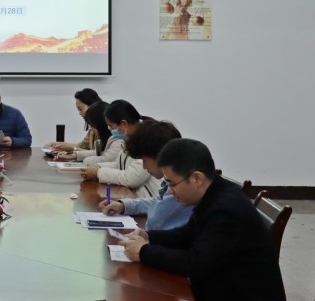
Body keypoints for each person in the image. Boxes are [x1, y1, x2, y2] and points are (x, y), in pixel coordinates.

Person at [119, 138, 286, 301]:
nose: (169, 191)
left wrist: (144, 252)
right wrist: (149, 237)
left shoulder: (226, 210)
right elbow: (188, 234)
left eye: (173, 184)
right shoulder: (214, 192)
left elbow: (195, 263)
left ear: (197, 179)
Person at [98, 119, 193, 230]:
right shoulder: (173, 179)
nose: (143, 166)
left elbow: (153, 224)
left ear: (161, 155)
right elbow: (157, 201)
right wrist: (123, 206)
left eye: (144, 160)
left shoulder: (181, 188)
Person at [79, 100, 161, 199]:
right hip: (133, 198)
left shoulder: (145, 141)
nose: (109, 129)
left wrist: (98, 173)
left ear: (124, 124)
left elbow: (131, 178)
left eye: (111, 126)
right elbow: (118, 165)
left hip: (149, 199)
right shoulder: (129, 139)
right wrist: (96, 167)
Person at [56, 101, 121, 163]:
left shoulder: (118, 139)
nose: (91, 130)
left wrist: (74, 150)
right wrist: (74, 155)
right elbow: (96, 153)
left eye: (80, 109)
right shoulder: (108, 138)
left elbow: (105, 159)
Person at [46, 88, 103, 152]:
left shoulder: (104, 126)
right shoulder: (92, 127)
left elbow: (98, 154)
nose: (79, 113)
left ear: (92, 106)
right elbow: (82, 145)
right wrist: (59, 144)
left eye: (81, 109)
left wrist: (72, 149)